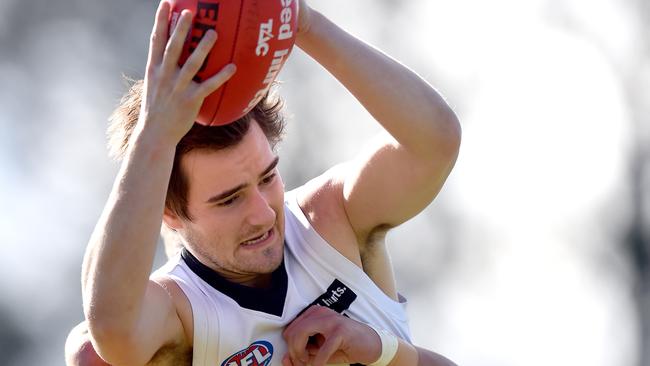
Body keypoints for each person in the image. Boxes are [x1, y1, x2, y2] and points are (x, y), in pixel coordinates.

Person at [71, 0, 461, 364]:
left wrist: (300, 21)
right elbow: (110, 329)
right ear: (171, 214)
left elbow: (434, 143)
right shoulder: (180, 309)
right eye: (229, 200)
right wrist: (153, 134)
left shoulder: (329, 217)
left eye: (268, 177)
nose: (262, 213)